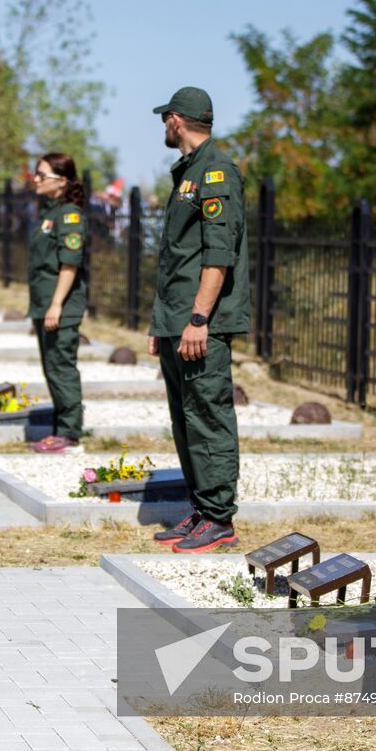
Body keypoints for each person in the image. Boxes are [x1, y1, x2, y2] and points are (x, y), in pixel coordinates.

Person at [147, 87, 251, 554]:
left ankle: (219, 517)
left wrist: (197, 318)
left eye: (164, 120)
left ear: (176, 120)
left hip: (200, 322)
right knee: (185, 418)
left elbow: (218, 254)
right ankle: (201, 508)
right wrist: (162, 323)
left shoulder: (216, 170)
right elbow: (176, 259)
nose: (163, 128)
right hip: (177, 321)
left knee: (207, 416)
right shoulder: (188, 172)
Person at [26, 153, 88, 454]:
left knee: (62, 366)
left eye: (42, 174)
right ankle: (60, 427)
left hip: (60, 306)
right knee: (51, 366)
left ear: (61, 181)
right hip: (45, 304)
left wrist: (56, 305)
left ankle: (70, 432)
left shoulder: (69, 215)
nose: (35, 179)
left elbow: (69, 264)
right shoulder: (49, 213)